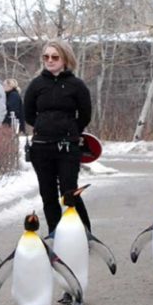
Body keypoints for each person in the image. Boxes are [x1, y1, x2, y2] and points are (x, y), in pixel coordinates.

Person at [23, 39, 92, 234]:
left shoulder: (76, 85)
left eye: (55, 57)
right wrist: (44, 127)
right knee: (48, 194)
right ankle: (55, 233)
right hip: (42, 147)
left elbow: (85, 114)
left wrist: (70, 130)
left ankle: (83, 233)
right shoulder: (36, 85)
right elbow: (28, 113)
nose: (50, 60)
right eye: (46, 57)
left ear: (65, 59)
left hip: (67, 147)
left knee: (70, 192)